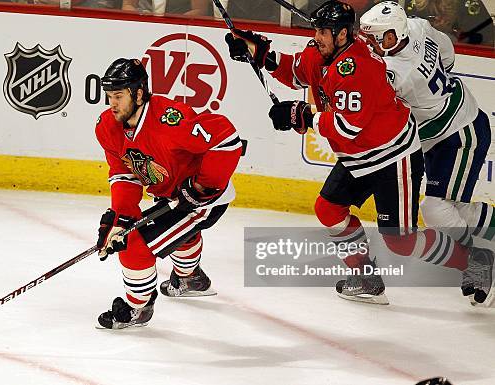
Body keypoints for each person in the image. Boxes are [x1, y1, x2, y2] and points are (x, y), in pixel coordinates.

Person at [224, 0, 488, 305]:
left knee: (400, 242)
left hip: (393, 158)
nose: (317, 37)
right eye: (317, 30)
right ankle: (366, 277)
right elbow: (297, 70)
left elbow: (347, 126)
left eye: (324, 31)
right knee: (328, 209)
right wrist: (260, 54)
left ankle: (474, 262)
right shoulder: (324, 50)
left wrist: (302, 114)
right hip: (359, 156)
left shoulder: (358, 68)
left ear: (342, 35)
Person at [359, 1, 494, 305]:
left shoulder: (397, 73)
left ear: (397, 32)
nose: (375, 44)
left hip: (461, 133)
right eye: (370, 37)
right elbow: (447, 53)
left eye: (380, 37)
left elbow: (372, 97)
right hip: (443, 132)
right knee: (453, 210)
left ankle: (478, 258)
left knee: (436, 209)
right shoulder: (418, 26)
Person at [94, 58, 242, 329]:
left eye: (118, 96)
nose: (111, 104)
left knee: (135, 244)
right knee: (174, 235)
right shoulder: (108, 126)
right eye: (108, 96)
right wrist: (120, 219)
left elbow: (227, 139)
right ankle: (190, 279)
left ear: (138, 94)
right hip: (170, 195)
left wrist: (200, 188)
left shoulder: (169, 120)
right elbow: (125, 174)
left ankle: (138, 308)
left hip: (206, 200)